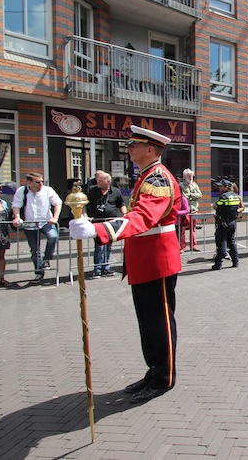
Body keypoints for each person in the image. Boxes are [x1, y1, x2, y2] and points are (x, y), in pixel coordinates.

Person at [68, 125, 182, 403]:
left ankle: (164, 377)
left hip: (157, 260)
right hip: (145, 259)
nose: (129, 149)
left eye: (134, 145)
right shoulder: (146, 175)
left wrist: (99, 231)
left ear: (149, 149)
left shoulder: (157, 179)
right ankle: (154, 371)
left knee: (159, 322)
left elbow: (142, 217)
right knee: (147, 321)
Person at [11, 172, 62, 281]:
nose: (41, 184)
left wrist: (55, 218)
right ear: (29, 182)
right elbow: (16, 205)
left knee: (53, 236)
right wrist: (17, 217)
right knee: (35, 250)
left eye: (42, 181)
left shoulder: (47, 190)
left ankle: (47, 258)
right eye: (38, 182)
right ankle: (39, 272)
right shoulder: (22, 191)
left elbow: (57, 203)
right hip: (30, 223)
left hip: (46, 221)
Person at [86, 170, 127, 278]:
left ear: (108, 182)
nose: (97, 182)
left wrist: (125, 214)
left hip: (110, 223)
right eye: (97, 180)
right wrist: (85, 215)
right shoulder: (92, 190)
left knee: (108, 246)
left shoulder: (116, 192)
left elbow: (121, 204)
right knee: (99, 246)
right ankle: (97, 269)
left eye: (100, 181)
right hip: (98, 223)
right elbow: (84, 204)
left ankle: (106, 268)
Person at [212, 179, 241, 269]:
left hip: (223, 222)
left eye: (221, 186)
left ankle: (218, 264)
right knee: (232, 242)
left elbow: (215, 206)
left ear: (226, 187)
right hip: (232, 222)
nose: (219, 188)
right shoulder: (236, 196)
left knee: (221, 243)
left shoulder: (223, 197)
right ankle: (235, 261)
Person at [180, 169, 202, 252]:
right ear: (184, 177)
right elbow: (183, 196)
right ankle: (182, 247)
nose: (190, 177)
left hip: (194, 210)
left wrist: (191, 196)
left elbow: (200, 194)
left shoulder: (195, 185)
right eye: (188, 176)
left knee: (193, 229)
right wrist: (191, 197)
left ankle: (194, 245)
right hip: (185, 211)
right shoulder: (181, 185)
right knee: (183, 230)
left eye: (191, 176)